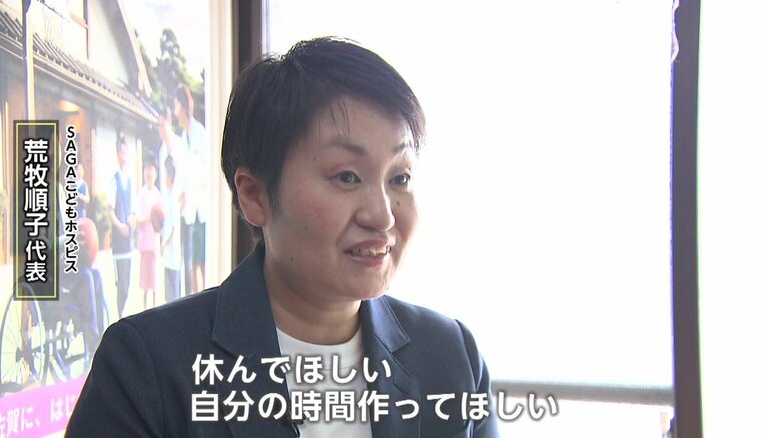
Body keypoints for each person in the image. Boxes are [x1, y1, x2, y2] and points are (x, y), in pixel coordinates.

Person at [67, 37, 498, 437]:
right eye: (347, 176)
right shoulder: (145, 369)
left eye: (399, 178)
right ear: (254, 195)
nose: (382, 215)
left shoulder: (451, 356)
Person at [174, 84, 209, 294]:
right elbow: (181, 175)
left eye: (176, 105)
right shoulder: (181, 140)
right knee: (190, 264)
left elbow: (207, 172)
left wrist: (190, 192)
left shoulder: (200, 133)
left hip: (201, 210)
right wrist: (180, 195)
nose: (175, 110)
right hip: (187, 212)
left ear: (184, 105)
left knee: (201, 263)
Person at [108, 133, 136, 318]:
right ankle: (120, 316)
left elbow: (133, 210)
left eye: (126, 152)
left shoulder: (130, 180)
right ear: (117, 154)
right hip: (119, 241)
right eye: (121, 152)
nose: (124, 156)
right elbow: (110, 210)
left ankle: (124, 314)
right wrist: (120, 227)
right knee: (122, 284)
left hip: (129, 241)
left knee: (128, 281)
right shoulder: (114, 180)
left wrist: (132, 221)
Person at [136, 157, 161, 310]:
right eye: (147, 170)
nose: (149, 173)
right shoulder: (141, 193)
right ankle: (145, 307)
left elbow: (161, 219)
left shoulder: (158, 194)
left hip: (154, 241)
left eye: (151, 170)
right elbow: (137, 217)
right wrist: (147, 218)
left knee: (154, 278)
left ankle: (155, 306)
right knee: (145, 279)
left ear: (155, 173)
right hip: (144, 241)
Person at [160, 155, 181, 303]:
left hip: (172, 252)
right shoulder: (167, 196)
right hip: (168, 255)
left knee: (173, 295)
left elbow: (173, 228)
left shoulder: (173, 198)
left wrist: (164, 244)